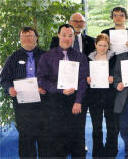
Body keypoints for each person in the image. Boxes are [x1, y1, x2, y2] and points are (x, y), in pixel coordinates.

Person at [37, 24, 89, 157]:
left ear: (74, 37)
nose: (67, 38)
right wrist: (59, 90)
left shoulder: (80, 57)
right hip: (55, 101)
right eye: (64, 35)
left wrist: (78, 101)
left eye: (70, 36)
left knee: (77, 138)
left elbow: (83, 80)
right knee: (57, 139)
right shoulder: (47, 57)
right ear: (59, 35)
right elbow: (41, 79)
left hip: (75, 101)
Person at [0, 27, 47, 158]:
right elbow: (4, 79)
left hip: (43, 102)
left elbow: (53, 77)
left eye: (30, 36)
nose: (27, 39)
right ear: (20, 39)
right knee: (26, 138)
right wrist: (9, 89)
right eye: (24, 36)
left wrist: (45, 88)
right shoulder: (13, 57)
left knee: (45, 138)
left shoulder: (46, 56)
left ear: (36, 38)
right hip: (22, 105)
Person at [85, 33, 117, 157]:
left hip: (110, 96)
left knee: (111, 126)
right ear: (95, 45)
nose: (102, 48)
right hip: (94, 96)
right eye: (100, 45)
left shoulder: (114, 58)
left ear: (108, 46)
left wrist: (113, 78)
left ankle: (111, 151)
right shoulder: (88, 58)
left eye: (105, 45)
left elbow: (117, 73)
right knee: (96, 127)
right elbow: (84, 74)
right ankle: (97, 152)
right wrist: (87, 79)